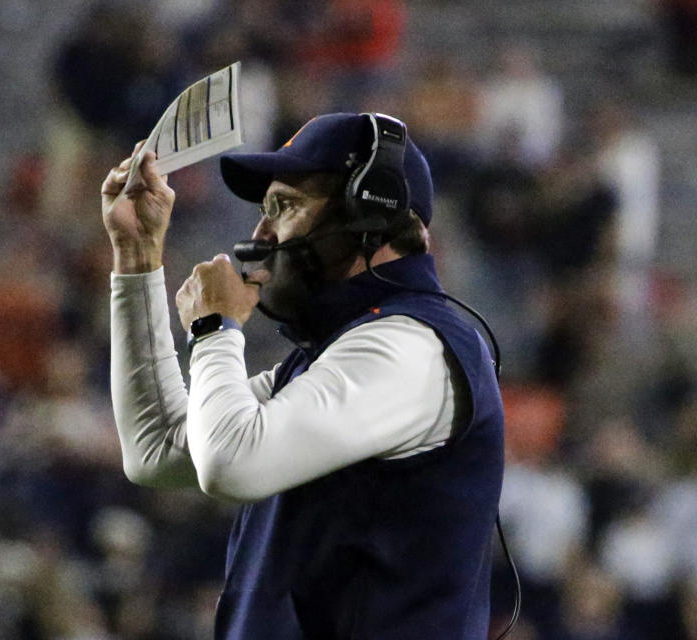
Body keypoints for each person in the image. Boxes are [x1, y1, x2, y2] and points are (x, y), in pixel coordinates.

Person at [101, 112, 505, 638]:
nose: (260, 233)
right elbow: (156, 447)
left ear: (369, 210)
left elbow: (232, 465)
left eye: (284, 207)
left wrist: (214, 327)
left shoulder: (411, 347)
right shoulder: (336, 352)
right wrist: (137, 256)